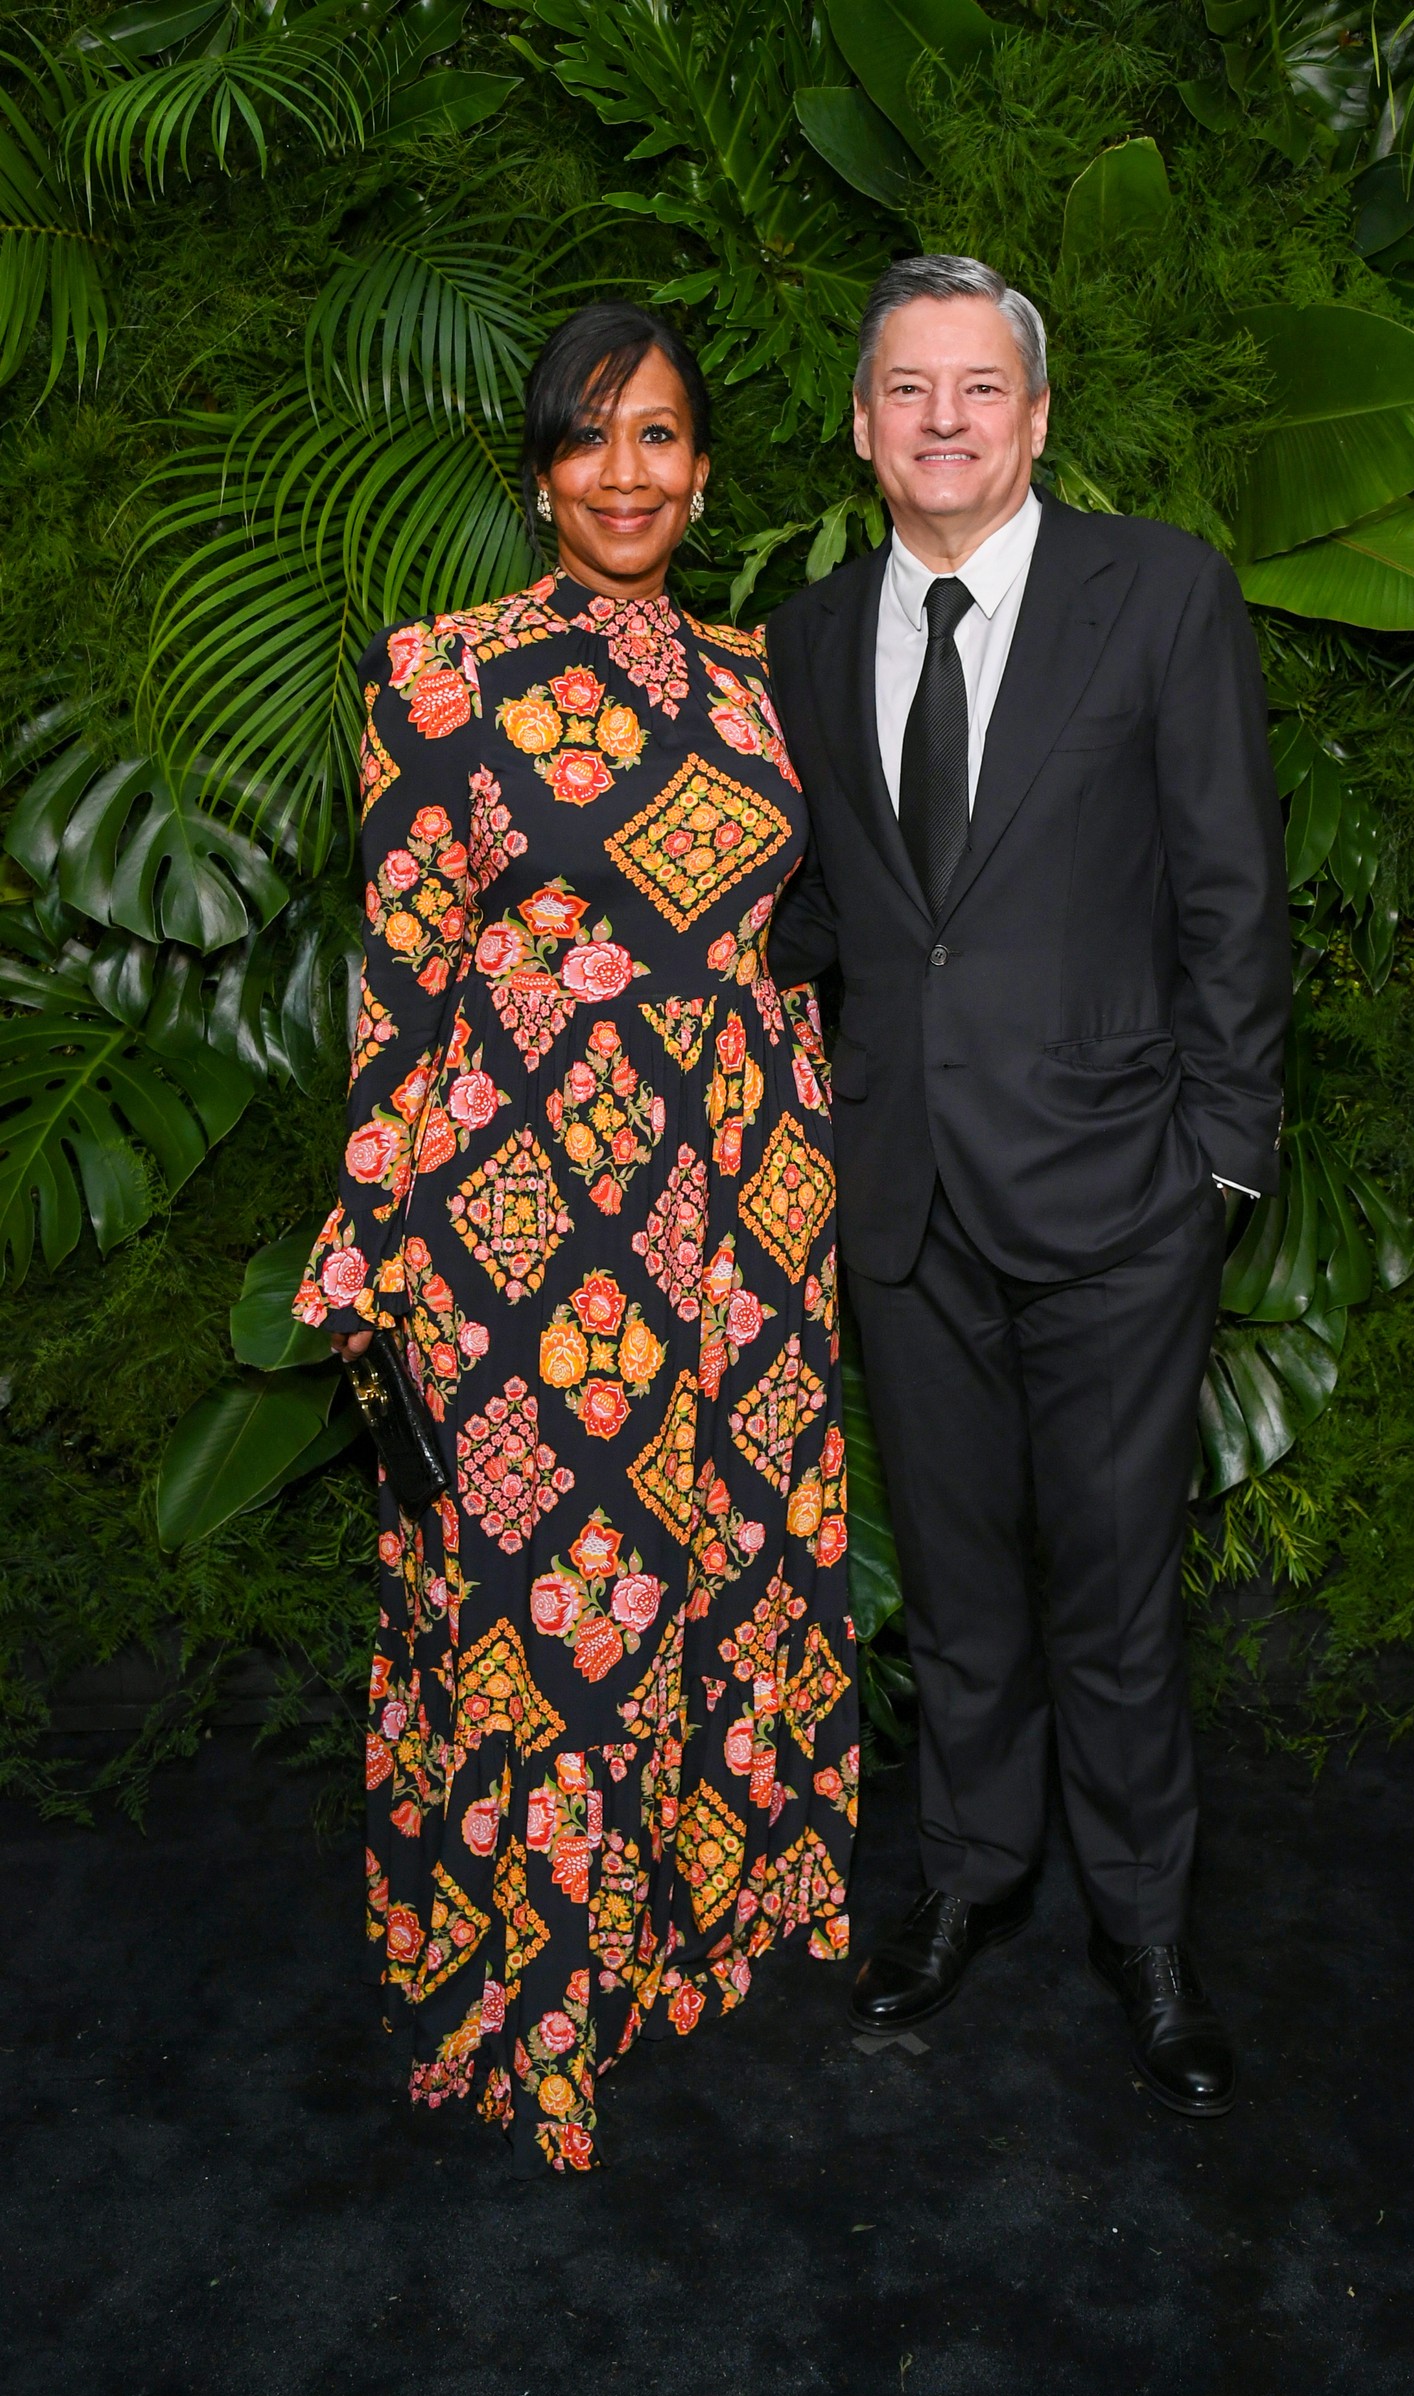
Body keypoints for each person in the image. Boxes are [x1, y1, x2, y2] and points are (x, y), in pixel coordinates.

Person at [293, 303, 856, 2173]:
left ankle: (692, 1925)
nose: (631, 474)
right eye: (594, 439)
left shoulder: (768, 678)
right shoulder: (438, 678)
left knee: (721, 1564)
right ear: (540, 468)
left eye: (665, 439)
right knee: (556, 1598)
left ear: (705, 469)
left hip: (752, 1205)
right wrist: (377, 1226)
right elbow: (398, 970)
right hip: (525, 1218)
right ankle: (536, 1999)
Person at [766, 256, 1291, 2117]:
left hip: (1118, 1207)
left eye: (979, 389)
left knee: (1117, 1597)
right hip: (902, 1205)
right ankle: (972, 1883)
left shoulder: (1157, 594)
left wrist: (1220, 1162)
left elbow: (1231, 890)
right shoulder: (813, 636)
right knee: (966, 1597)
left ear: (1038, 416)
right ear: (860, 423)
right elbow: (828, 913)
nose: (943, 421)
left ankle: (1144, 1927)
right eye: (907, 389)